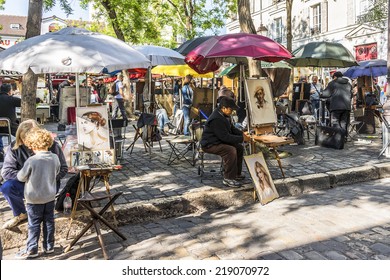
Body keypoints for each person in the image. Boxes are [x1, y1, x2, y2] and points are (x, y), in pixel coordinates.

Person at [0, 119, 68, 229]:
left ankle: (44, 215)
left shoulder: (52, 145)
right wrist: (30, 178)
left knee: (45, 218)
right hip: (25, 184)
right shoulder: (14, 147)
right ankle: (20, 213)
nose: (28, 143)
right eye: (24, 139)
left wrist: (48, 177)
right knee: (6, 187)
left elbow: (64, 168)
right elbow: (6, 172)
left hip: (48, 184)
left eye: (30, 139)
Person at [15, 128, 60, 259]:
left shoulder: (32, 160)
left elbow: (21, 177)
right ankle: (49, 246)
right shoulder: (55, 157)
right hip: (50, 196)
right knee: (49, 222)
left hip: (34, 199)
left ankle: (32, 248)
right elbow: (56, 173)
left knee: (34, 224)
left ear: (32, 145)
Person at [200, 97, 251, 188]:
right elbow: (225, 137)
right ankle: (228, 178)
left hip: (218, 141)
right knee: (230, 150)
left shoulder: (225, 115)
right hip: (210, 144)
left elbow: (232, 129)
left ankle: (236, 174)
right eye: (231, 109)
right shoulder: (217, 119)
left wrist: (242, 134)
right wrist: (242, 138)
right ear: (223, 108)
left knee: (239, 148)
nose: (232, 112)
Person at [321, 71, 353, 137]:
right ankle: (343, 137)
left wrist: (321, 94)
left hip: (335, 107)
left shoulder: (332, 83)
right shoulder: (348, 84)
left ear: (335, 77)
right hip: (346, 107)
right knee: (343, 123)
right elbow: (351, 95)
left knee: (335, 123)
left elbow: (325, 94)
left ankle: (337, 138)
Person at [0, 83, 22, 162]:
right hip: (10, 126)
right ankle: (21, 151)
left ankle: (0, 151)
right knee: (22, 134)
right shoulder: (11, 99)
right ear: (9, 91)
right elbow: (23, 102)